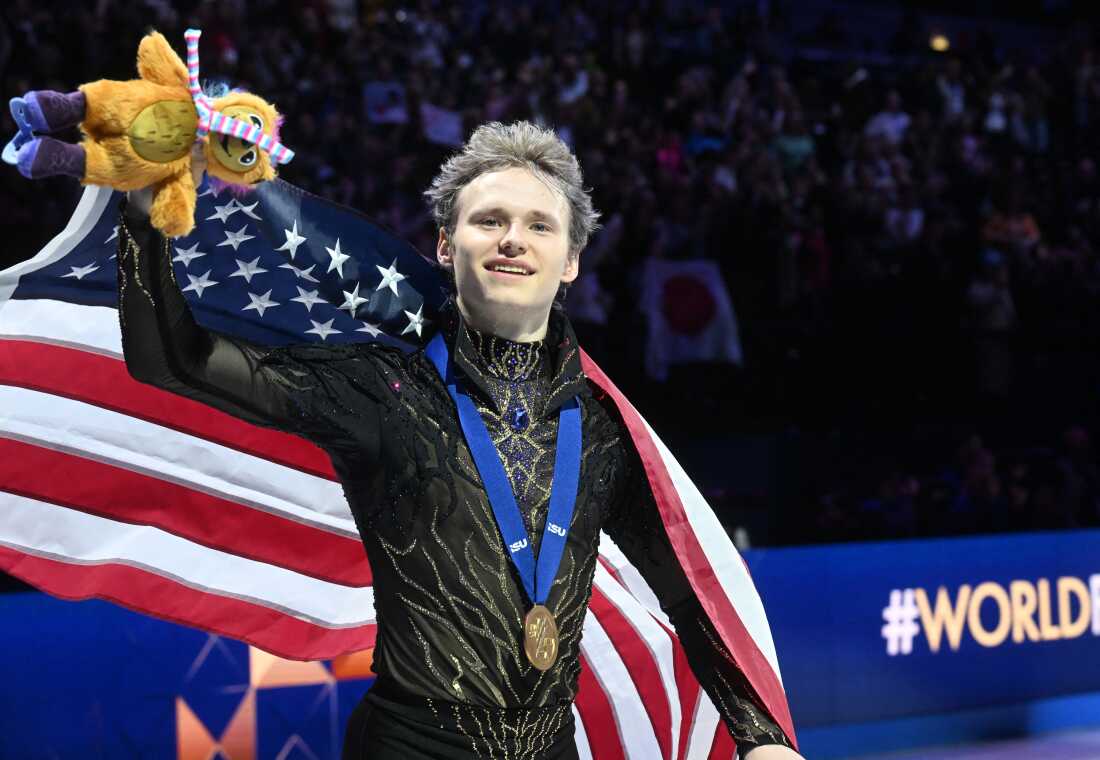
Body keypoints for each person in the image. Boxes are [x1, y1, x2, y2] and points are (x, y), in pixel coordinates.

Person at [118, 121, 801, 759]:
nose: (512, 239)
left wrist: (759, 733)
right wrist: (144, 216)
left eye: (539, 225)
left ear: (570, 261)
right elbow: (174, 359)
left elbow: (685, 593)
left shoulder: (603, 429)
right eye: (489, 220)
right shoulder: (381, 390)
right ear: (446, 246)